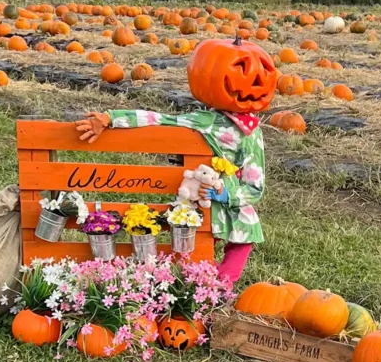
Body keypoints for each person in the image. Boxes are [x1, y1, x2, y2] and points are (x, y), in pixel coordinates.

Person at [75, 105, 265, 284]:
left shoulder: (206, 121)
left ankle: (214, 284)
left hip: (205, 203)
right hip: (214, 207)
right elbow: (254, 186)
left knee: (201, 243)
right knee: (230, 241)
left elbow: (158, 119)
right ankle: (219, 284)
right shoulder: (245, 129)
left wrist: (112, 117)